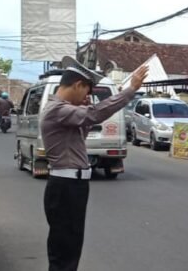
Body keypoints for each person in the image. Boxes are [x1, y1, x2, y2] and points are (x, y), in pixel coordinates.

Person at [40, 57, 149, 271]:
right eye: (87, 91)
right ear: (77, 84)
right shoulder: (57, 110)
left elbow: (85, 125)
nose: (87, 97)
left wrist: (86, 107)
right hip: (65, 187)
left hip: (72, 186)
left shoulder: (64, 111)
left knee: (70, 248)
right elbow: (94, 114)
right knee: (64, 251)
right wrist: (130, 90)